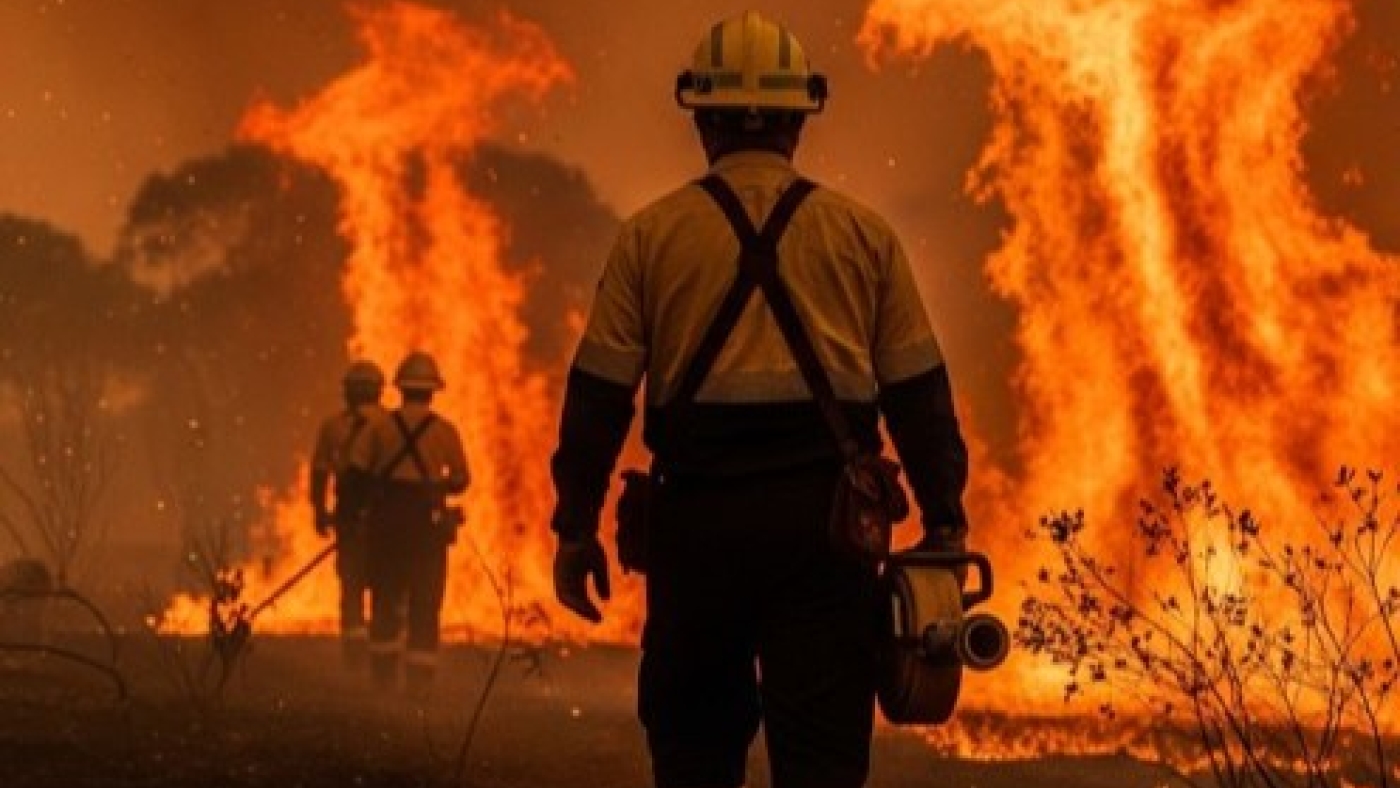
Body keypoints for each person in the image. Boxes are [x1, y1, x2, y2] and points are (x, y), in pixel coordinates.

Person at [548, 11, 970, 788]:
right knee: (821, 761)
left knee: (695, 756)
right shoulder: (863, 237)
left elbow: (598, 401)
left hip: (696, 532)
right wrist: (944, 515)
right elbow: (918, 396)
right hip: (825, 534)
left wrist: (575, 526)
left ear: (701, 120)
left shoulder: (651, 237)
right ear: (799, 121)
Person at [343, 350, 469, 694]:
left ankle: (382, 679)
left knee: (384, 597)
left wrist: (355, 516)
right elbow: (461, 480)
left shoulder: (379, 427)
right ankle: (419, 683)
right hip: (426, 528)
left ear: (399, 389)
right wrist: (435, 485)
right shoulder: (445, 431)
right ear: (433, 391)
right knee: (425, 603)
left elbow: (356, 472)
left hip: (385, 525)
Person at [309, 360, 385, 668]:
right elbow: (319, 471)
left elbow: (320, 473)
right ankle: (378, 651)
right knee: (382, 582)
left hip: (355, 512)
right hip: (380, 513)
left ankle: (358, 654)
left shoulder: (333, 426)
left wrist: (319, 510)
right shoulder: (393, 424)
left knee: (353, 582)